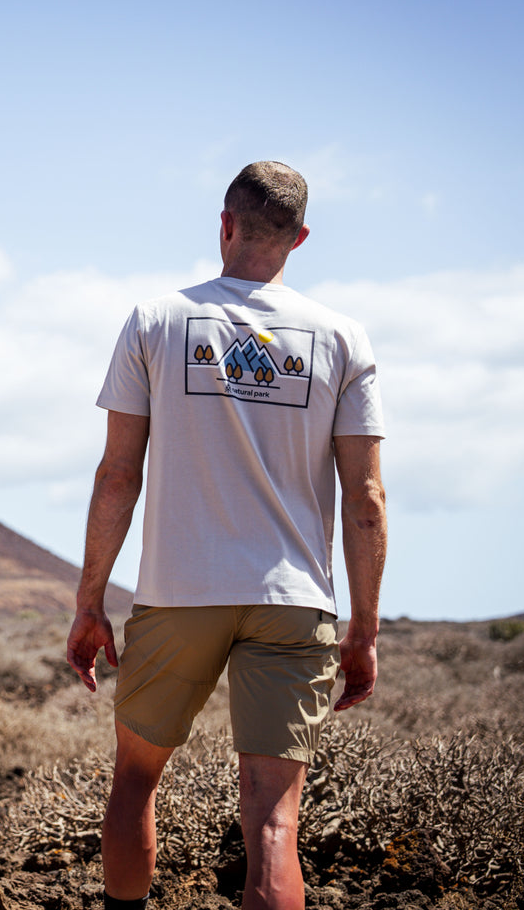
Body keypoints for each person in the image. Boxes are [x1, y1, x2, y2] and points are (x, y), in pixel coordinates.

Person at [64, 161, 387, 910]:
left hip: (179, 591)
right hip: (292, 597)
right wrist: (363, 627)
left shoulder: (155, 321)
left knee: (136, 780)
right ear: (300, 238)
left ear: (225, 222)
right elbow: (365, 497)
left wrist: (89, 603)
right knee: (274, 821)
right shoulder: (342, 337)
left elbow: (118, 475)